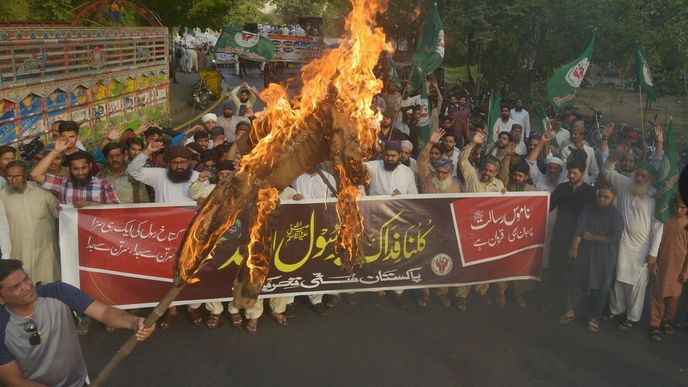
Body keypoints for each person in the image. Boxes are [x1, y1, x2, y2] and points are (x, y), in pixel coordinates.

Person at [0, 260, 155, 386]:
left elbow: (104, 312)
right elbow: (14, 380)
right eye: (16, 287)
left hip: (77, 383)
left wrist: (135, 322)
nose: (27, 287)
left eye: (26, 278)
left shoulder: (58, 292)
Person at [127, 141, 208, 328]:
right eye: (175, 163)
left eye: (183, 162)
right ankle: (169, 308)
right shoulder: (158, 175)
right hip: (164, 235)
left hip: (191, 233)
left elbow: (207, 201)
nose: (179, 166)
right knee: (166, 272)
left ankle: (192, 306)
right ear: (168, 163)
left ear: (189, 162)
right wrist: (147, 151)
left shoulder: (198, 177)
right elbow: (133, 170)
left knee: (191, 270)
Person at [603, 141, 663, 331]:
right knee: (619, 278)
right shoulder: (625, 183)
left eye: (643, 176)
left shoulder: (654, 198)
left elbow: (658, 228)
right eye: (638, 173)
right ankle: (615, 309)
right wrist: (616, 153)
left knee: (637, 285)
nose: (639, 177)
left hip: (641, 247)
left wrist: (653, 254)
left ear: (649, 178)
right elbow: (608, 171)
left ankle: (632, 316)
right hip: (621, 242)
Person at [559, 184, 623, 333]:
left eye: (606, 197)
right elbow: (579, 228)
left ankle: (594, 317)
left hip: (604, 255)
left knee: (601, 286)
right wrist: (574, 247)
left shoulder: (616, 216)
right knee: (576, 280)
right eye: (600, 196)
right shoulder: (589, 208)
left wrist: (592, 237)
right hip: (585, 251)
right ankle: (569, 311)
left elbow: (614, 238)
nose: (602, 199)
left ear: (613, 198)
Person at [455, 131, 508, 308]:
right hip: (469, 228)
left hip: (488, 231)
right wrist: (472, 143)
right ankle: (461, 295)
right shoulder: (472, 175)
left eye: (491, 171)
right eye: (485, 169)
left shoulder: (499, 185)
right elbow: (462, 159)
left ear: (496, 172)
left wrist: (506, 196)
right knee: (467, 264)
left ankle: (481, 291)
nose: (486, 173)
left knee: (485, 262)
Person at [365, 140, 418, 307]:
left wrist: (402, 196)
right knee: (376, 254)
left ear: (400, 156)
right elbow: (356, 167)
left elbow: (414, 197)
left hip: (398, 222)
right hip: (377, 219)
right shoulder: (372, 167)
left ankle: (398, 291)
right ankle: (377, 290)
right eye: (387, 155)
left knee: (398, 257)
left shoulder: (407, 172)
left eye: (393, 156)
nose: (389, 158)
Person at [417, 129, 461, 307]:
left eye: (444, 173)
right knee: (425, 260)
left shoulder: (456, 186)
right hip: (426, 227)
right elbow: (422, 161)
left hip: (446, 229)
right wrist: (430, 143)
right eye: (439, 172)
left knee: (445, 260)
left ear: (450, 173)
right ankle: (425, 292)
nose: (441, 175)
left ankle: (442, 292)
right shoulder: (427, 179)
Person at [0, 161, 60, 284]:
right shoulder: (1, 196)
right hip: (20, 252)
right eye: (10, 176)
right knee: (27, 285)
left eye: (18, 176)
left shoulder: (41, 189)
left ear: (25, 174)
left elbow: (57, 211)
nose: (13, 180)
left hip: (47, 250)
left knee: (52, 284)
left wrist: (62, 208)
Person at [548, 160, 596, 313]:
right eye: (570, 172)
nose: (572, 175)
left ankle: (569, 307)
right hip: (559, 235)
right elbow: (549, 206)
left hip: (577, 238)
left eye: (575, 173)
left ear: (582, 173)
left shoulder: (589, 192)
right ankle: (551, 301)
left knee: (573, 273)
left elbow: (591, 217)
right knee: (556, 270)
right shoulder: (562, 188)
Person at [30, 139, 120, 208]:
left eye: (84, 168)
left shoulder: (104, 184)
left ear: (90, 166)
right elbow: (35, 175)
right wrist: (55, 151)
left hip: (96, 230)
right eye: (76, 169)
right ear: (69, 169)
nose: (80, 173)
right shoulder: (62, 183)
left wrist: (90, 204)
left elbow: (117, 208)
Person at [648, 196, 688, 342]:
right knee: (658, 294)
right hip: (663, 264)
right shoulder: (666, 219)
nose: (679, 209)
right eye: (677, 206)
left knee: (674, 297)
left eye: (683, 207)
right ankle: (655, 325)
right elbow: (655, 242)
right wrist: (654, 262)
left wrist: (686, 271)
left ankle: (666, 320)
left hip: (679, 267)